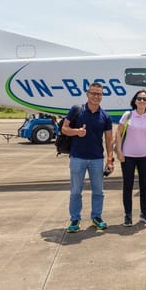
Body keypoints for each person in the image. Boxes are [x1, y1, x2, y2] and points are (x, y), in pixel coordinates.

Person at [63, 82, 115, 232]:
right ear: (87, 94)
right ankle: (75, 220)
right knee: (75, 191)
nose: (96, 96)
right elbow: (64, 129)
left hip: (97, 159)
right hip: (77, 157)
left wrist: (110, 160)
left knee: (98, 191)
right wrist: (77, 132)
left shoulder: (105, 116)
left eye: (99, 94)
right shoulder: (76, 110)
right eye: (93, 93)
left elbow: (109, 140)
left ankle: (96, 217)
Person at [114, 89, 146, 226]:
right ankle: (128, 215)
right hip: (128, 156)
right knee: (128, 186)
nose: (142, 101)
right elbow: (118, 133)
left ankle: (144, 213)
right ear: (135, 100)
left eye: (145, 99)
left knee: (144, 186)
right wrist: (119, 152)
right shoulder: (128, 115)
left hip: (145, 155)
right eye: (139, 98)